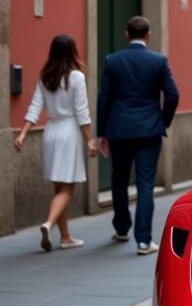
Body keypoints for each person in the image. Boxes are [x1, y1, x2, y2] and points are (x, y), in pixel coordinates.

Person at [97, 16, 179, 255]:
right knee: (145, 183)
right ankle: (143, 240)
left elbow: (104, 99)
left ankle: (122, 228)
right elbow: (173, 95)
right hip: (149, 130)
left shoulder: (112, 61)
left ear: (126, 34)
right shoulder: (158, 61)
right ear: (148, 35)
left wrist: (103, 132)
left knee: (119, 179)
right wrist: (162, 121)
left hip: (120, 129)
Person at [14, 35, 97, 251]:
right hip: (69, 132)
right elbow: (82, 111)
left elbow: (34, 107)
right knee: (67, 189)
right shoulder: (77, 77)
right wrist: (90, 140)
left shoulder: (45, 76)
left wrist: (23, 134)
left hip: (50, 132)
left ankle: (65, 237)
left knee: (58, 187)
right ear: (72, 51)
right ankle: (49, 224)